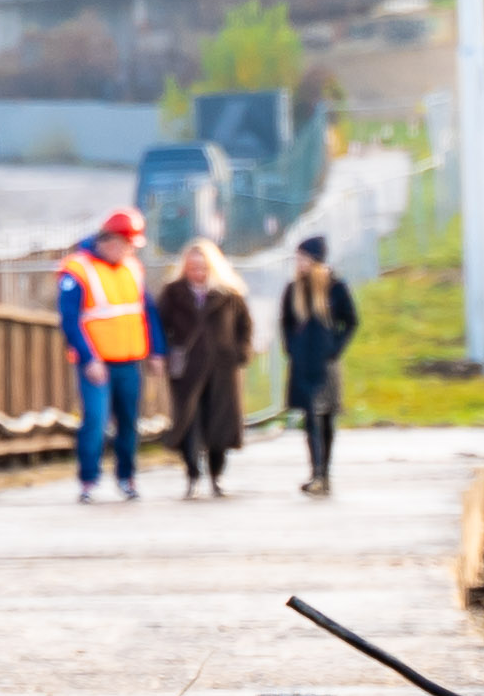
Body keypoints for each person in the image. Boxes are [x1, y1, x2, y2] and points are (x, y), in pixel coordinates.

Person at [58, 208, 155, 499]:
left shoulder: (133, 267)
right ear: (111, 240)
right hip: (96, 363)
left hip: (129, 360)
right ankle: (89, 480)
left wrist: (157, 351)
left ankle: (127, 478)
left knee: (128, 421)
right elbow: (69, 319)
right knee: (96, 421)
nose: (129, 251)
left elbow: (147, 311)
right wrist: (89, 359)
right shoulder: (77, 269)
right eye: (126, 245)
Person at [152, 234, 253, 498]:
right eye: (192, 267)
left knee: (220, 422)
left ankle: (217, 475)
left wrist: (241, 352)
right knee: (188, 421)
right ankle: (192, 474)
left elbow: (245, 326)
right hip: (187, 368)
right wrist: (161, 354)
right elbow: (160, 326)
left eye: (202, 268)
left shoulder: (229, 294)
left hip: (223, 367)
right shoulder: (173, 293)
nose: (197, 273)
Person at [276, 229, 362, 498]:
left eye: (303, 258)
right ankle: (315, 473)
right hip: (303, 364)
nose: (299, 264)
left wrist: (335, 348)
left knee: (326, 418)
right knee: (311, 417)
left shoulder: (335, 287)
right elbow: (286, 323)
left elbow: (351, 321)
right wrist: (291, 348)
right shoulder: (293, 290)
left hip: (326, 365)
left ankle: (324, 473)